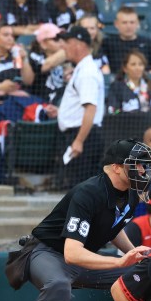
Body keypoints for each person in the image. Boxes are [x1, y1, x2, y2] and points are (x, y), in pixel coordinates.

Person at [11, 139, 151, 301]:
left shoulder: (131, 194)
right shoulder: (88, 192)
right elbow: (72, 253)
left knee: (146, 274)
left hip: (80, 259)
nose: (144, 171)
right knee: (58, 288)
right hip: (46, 252)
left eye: (145, 166)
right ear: (117, 167)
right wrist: (120, 262)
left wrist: (134, 255)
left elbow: (114, 226)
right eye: (138, 165)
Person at [56, 25, 105, 187]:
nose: (63, 46)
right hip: (83, 134)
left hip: (84, 136)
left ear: (79, 44)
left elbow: (91, 108)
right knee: (80, 190)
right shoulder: (83, 69)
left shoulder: (87, 72)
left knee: (81, 190)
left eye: (67, 42)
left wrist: (78, 140)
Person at [101, 6, 151, 75]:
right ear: (116, 24)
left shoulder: (148, 43)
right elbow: (102, 67)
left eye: (132, 22)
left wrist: (141, 77)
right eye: (124, 23)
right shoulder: (107, 44)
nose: (128, 26)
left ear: (137, 23)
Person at [106, 50, 151, 114]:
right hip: (126, 122)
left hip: (149, 122)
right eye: (133, 64)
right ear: (125, 68)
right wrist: (125, 113)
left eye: (140, 64)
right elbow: (112, 111)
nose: (137, 68)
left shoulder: (150, 86)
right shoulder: (116, 87)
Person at [28, 23, 65, 103]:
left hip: (61, 99)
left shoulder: (65, 58)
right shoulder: (34, 55)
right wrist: (68, 49)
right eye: (56, 38)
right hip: (41, 102)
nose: (61, 41)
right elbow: (45, 66)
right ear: (43, 44)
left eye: (61, 37)